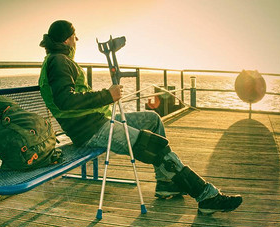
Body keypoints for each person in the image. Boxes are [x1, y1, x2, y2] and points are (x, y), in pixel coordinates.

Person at [39, 20, 242, 214]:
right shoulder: (58, 61)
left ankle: (166, 182)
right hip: (91, 130)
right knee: (152, 146)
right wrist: (107, 95)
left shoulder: (59, 60)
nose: (77, 40)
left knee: (152, 119)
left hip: (97, 121)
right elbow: (65, 100)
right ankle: (205, 195)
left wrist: (105, 97)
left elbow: (69, 97)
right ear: (66, 39)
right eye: (75, 37)